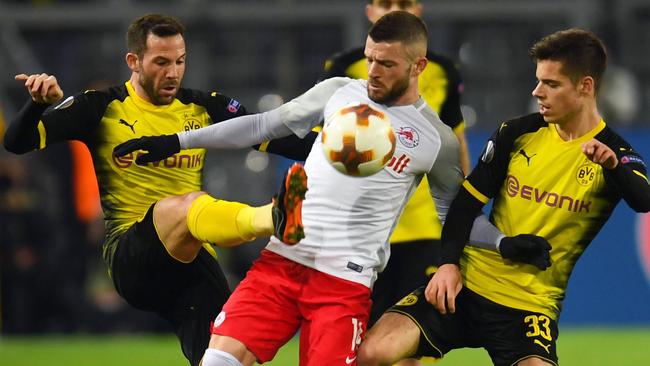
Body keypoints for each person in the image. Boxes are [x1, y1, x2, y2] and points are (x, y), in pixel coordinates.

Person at [114, 12, 551, 366]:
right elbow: (262, 125)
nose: (373, 72)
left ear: (418, 66)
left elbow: (453, 215)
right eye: (369, 59)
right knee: (217, 362)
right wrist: (174, 141)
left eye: (386, 64)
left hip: (343, 285)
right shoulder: (340, 92)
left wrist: (503, 242)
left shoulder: (434, 139)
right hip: (282, 262)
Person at [2, 13, 307, 366]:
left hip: (191, 261)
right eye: (161, 62)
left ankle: (275, 218)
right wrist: (37, 103)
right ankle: (275, 216)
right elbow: (16, 142)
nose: (173, 72)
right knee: (183, 205)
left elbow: (276, 140)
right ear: (134, 61)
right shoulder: (102, 107)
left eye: (180, 61)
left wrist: (337, 147)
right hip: (133, 258)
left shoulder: (202, 106)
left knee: (225, 357)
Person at [357, 28, 650, 366]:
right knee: (372, 353)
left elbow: (642, 199)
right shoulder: (519, 133)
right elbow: (465, 204)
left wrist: (612, 166)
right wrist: (449, 264)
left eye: (551, 84)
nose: (537, 92)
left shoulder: (614, 153)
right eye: (538, 80)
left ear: (585, 86)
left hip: (529, 307)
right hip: (466, 284)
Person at [320, 1, 470, 345]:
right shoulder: (342, 68)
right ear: (368, 9)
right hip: (360, 231)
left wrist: (463, 217)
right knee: (358, 343)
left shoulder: (444, 70)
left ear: (418, 8)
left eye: (402, 3)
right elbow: (321, 145)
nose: (393, 10)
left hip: (423, 226)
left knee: (415, 341)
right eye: (385, 3)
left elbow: (456, 143)